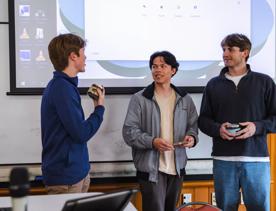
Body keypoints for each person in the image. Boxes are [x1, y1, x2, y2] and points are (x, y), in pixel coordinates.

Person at [198, 33, 276, 211]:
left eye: (230, 49)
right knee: (225, 209)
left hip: (256, 160)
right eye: (223, 49)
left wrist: (256, 127)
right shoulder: (213, 85)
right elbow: (203, 120)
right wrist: (218, 129)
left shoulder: (264, 82)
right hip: (223, 160)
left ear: (245, 53)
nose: (225, 53)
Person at [123, 51, 198, 211]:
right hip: (151, 170)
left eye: (163, 66)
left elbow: (193, 126)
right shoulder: (140, 98)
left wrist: (192, 137)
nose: (157, 70)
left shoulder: (185, 98)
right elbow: (129, 132)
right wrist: (152, 142)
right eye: (154, 67)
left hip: (177, 168)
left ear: (173, 70)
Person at [41, 33, 105, 194]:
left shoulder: (65, 86)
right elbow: (80, 133)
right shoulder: (62, 88)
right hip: (66, 179)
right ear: (73, 56)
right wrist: (99, 108)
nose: (86, 57)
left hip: (77, 173)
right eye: (83, 53)